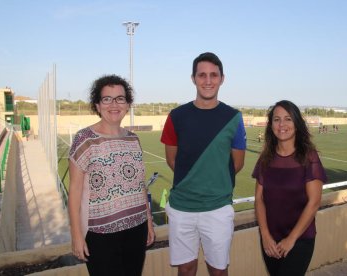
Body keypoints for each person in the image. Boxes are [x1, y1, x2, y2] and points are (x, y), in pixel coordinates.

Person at [161, 52, 246, 276]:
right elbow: (172, 160)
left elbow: (237, 163)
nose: (208, 81)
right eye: (202, 75)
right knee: (186, 269)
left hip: (218, 208)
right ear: (193, 78)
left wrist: (212, 183)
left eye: (213, 75)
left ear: (222, 78)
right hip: (182, 208)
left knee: (218, 270)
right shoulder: (176, 116)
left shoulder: (234, 117)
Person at [68, 75, 155, 276]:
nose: (114, 104)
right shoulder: (84, 139)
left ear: (127, 104)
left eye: (120, 98)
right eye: (107, 99)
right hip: (100, 235)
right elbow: (75, 191)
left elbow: (140, 184)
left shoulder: (133, 139)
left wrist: (148, 221)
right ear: (97, 105)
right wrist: (76, 235)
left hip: (137, 227)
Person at [252, 100, 327, 276]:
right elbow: (259, 199)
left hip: (300, 238)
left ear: (297, 123)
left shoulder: (309, 157)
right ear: (271, 125)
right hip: (270, 240)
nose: (282, 124)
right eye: (277, 119)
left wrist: (291, 239)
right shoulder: (266, 158)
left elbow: (314, 202)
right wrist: (265, 236)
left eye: (288, 119)